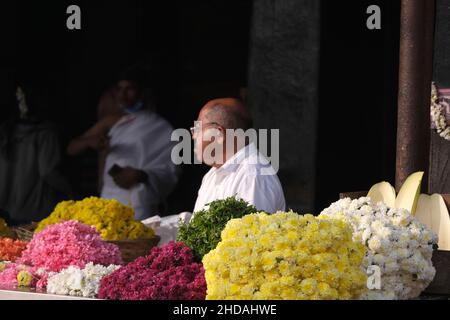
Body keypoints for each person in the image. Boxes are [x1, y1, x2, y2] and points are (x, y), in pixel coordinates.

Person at [67, 68, 179, 220]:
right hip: (110, 197)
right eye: (119, 89)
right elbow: (72, 148)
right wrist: (90, 142)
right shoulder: (111, 121)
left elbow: (170, 167)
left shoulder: (158, 126)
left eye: (129, 89)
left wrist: (142, 175)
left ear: (142, 92)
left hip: (140, 200)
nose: (123, 94)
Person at [192, 98, 286, 213]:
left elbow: (250, 230)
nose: (193, 136)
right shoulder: (212, 175)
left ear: (219, 134)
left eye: (197, 129)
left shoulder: (251, 174)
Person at [0, 84, 73, 225]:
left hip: (5, 214)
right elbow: (49, 172)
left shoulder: (3, 132)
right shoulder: (45, 133)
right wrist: (72, 193)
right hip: (33, 214)